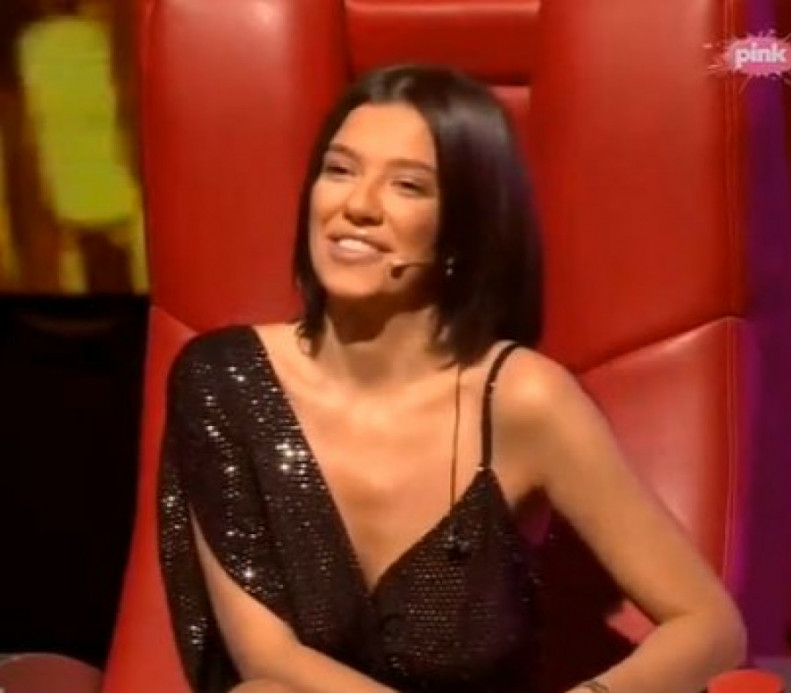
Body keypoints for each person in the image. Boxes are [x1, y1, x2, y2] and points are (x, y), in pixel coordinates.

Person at [158, 64, 747, 693]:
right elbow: (268, 658)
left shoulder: (525, 400)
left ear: (464, 229)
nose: (356, 207)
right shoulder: (225, 382)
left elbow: (710, 627)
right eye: (340, 170)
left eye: (408, 186)